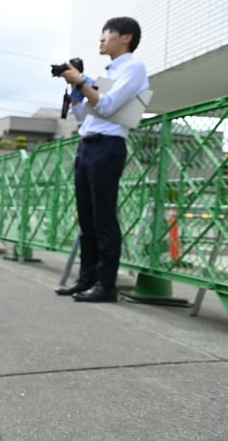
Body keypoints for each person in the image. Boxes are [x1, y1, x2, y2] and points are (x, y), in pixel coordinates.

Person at [54, 16, 149, 303]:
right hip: (87, 146)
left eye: (107, 33)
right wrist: (76, 92)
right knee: (87, 218)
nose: (101, 39)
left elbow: (107, 106)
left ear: (126, 37)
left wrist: (81, 81)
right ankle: (87, 279)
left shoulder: (134, 68)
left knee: (103, 217)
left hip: (108, 147)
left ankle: (106, 285)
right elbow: (84, 116)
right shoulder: (107, 73)